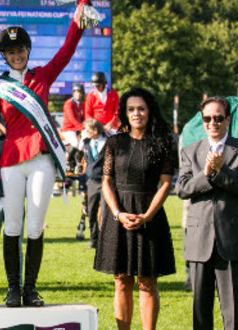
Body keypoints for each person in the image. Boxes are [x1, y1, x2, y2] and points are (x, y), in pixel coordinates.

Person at [0, 0, 88, 307]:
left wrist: (80, 12)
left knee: (34, 226)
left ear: (28, 51)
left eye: (21, 50)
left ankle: (30, 289)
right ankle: (13, 290)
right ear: (4, 56)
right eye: (11, 52)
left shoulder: (42, 76)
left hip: (42, 160)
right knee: (13, 225)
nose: (17, 55)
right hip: (11, 163)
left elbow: (67, 50)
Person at [93, 87, 176, 330]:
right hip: (118, 216)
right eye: (131, 109)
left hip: (149, 215)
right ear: (124, 113)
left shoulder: (163, 143)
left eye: (141, 108)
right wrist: (118, 213)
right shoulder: (114, 142)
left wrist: (147, 215)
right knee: (121, 280)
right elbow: (106, 181)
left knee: (147, 282)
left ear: (150, 111)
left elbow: (166, 183)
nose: (136, 113)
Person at [178, 96, 238, 330]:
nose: (212, 123)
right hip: (199, 241)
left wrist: (222, 171)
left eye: (218, 118)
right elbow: (183, 189)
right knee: (200, 312)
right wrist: (207, 174)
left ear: (228, 119)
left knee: (232, 313)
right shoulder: (190, 151)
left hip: (232, 240)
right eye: (207, 118)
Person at [81, 118, 107, 249]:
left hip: (106, 181)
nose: (86, 133)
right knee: (91, 211)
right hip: (91, 181)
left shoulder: (109, 142)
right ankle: (93, 239)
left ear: (96, 130)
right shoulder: (86, 143)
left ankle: (106, 240)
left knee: (106, 212)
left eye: (88, 130)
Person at [62, 82, 85, 174]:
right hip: (68, 129)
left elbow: (83, 118)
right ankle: (68, 162)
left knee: (83, 144)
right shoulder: (69, 103)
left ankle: (78, 164)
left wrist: (87, 127)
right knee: (76, 143)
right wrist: (82, 128)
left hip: (76, 129)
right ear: (73, 93)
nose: (78, 94)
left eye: (80, 92)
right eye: (76, 92)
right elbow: (72, 119)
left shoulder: (81, 104)